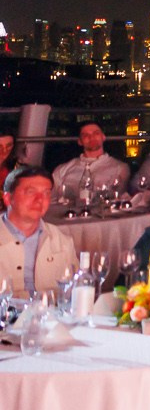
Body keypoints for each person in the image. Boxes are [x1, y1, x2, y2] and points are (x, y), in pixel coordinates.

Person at [1, 165, 76, 295]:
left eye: (46, 193)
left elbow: (76, 290)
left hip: (51, 313)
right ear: (8, 199)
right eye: (31, 192)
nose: (40, 200)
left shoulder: (61, 241)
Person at [52, 121, 132, 203]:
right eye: (86, 135)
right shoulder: (62, 170)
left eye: (96, 133)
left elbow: (119, 198)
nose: (91, 137)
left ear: (103, 137)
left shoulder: (120, 168)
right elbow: (53, 200)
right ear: (79, 141)